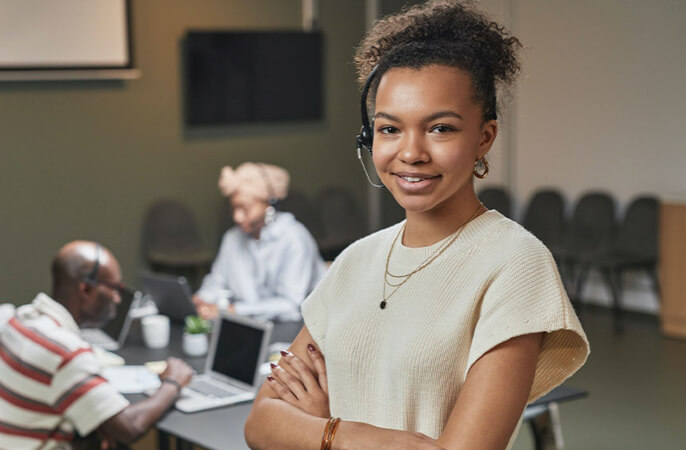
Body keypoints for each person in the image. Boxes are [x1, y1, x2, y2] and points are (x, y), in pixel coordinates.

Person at [245, 2, 590, 449]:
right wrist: (341, 432)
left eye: (440, 128)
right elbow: (260, 424)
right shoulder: (356, 261)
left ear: (484, 137)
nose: (410, 153)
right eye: (389, 129)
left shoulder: (515, 264)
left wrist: (318, 429)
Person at [0, 240, 194, 449]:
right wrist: (172, 383)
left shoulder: (21, 319)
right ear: (85, 290)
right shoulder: (66, 353)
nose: (118, 298)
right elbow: (129, 427)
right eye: (114, 288)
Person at [193, 162, 326, 322]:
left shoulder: (294, 239)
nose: (237, 217)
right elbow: (217, 282)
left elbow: (290, 304)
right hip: (251, 328)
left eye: (245, 208)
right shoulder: (232, 238)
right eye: (233, 208)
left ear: (270, 204)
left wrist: (233, 310)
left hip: (296, 329)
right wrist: (201, 300)